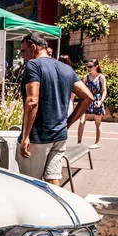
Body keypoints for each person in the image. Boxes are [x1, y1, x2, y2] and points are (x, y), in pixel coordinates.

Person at [17, 32, 93, 186]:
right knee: (53, 180)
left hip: (38, 136)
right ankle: (56, 209)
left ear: (33, 47)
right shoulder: (66, 68)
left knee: (30, 184)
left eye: (23, 51)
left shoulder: (33, 65)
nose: (22, 56)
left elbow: (32, 101)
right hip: (59, 135)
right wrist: (68, 123)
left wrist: (25, 136)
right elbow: (88, 97)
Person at [77, 59, 106, 149]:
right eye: (88, 66)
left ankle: (97, 142)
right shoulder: (86, 77)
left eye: (90, 66)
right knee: (82, 121)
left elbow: (104, 90)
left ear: (96, 66)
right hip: (87, 99)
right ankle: (79, 141)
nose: (89, 68)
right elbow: (82, 88)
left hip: (97, 99)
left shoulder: (101, 77)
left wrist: (101, 101)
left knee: (97, 122)